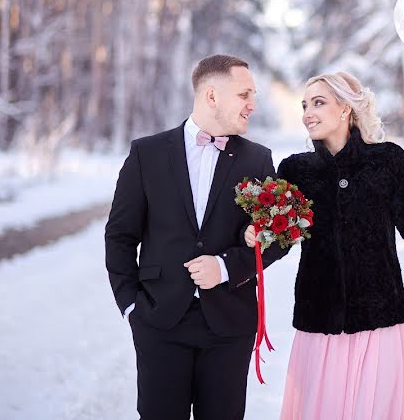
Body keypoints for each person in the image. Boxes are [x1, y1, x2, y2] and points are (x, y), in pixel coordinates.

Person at [244, 72, 404, 420]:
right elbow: (280, 238)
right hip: (320, 323)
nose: (308, 113)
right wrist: (254, 238)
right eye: (304, 105)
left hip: (378, 322)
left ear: (346, 109)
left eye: (319, 102)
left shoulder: (387, 160)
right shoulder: (296, 169)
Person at [106, 54, 289, 420]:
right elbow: (120, 235)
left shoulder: (258, 159)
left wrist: (224, 268)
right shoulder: (147, 153)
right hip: (159, 323)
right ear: (211, 96)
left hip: (229, 325)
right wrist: (131, 308)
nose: (253, 104)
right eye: (244, 94)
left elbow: (277, 237)